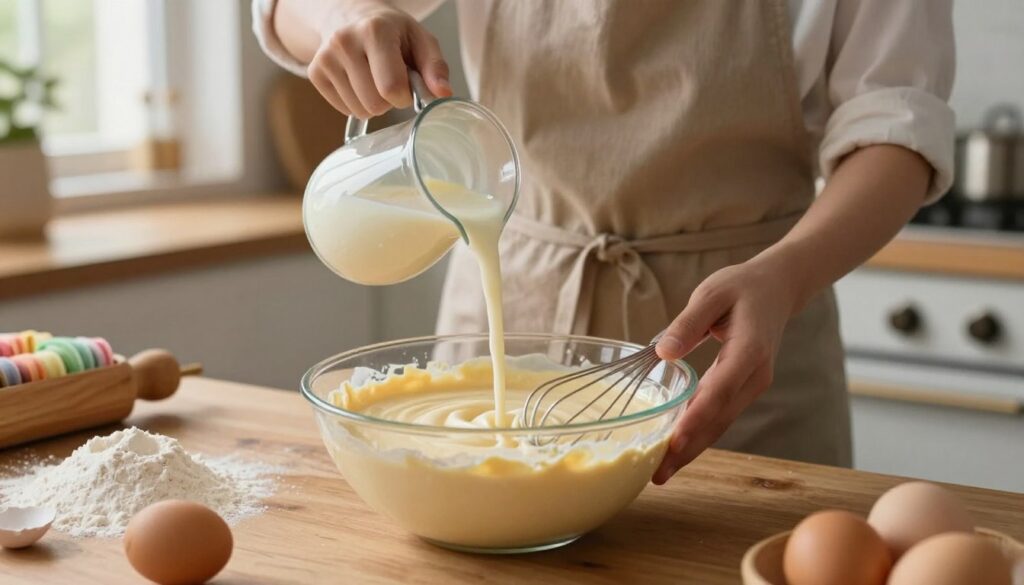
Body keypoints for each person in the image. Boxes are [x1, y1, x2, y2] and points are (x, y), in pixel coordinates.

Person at [253, 0, 955, 482]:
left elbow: (898, 125)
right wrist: (347, 17)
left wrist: (787, 277)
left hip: (743, 342)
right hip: (519, 294)